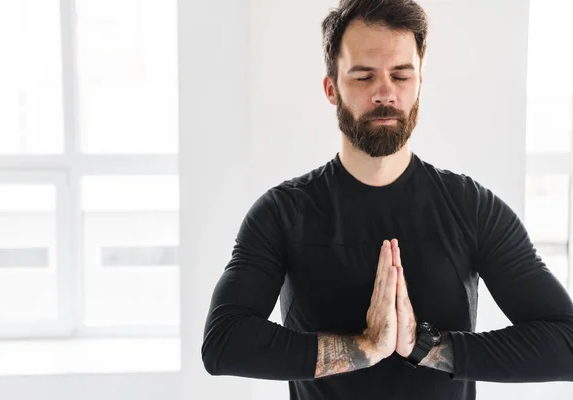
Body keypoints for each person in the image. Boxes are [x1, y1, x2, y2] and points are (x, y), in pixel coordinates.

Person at [201, 0, 573, 398]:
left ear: (419, 84)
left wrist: (425, 347)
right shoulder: (282, 213)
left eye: (401, 75)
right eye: (363, 77)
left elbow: (565, 345)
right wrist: (364, 347)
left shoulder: (473, 208)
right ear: (332, 88)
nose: (385, 93)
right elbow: (223, 343)